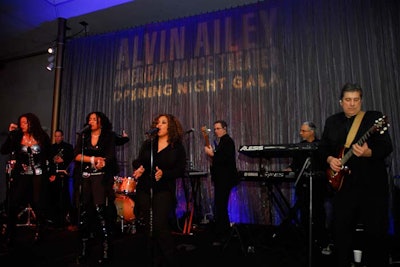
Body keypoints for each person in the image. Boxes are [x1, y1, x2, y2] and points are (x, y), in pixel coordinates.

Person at [319, 83, 393, 267]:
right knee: (341, 232)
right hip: (344, 188)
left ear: (361, 100)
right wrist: (330, 160)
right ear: (340, 102)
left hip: (372, 186)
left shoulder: (374, 118)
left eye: (356, 100)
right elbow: (322, 148)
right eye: (348, 100)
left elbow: (386, 146)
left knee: (376, 234)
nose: (352, 104)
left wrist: (368, 152)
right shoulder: (332, 121)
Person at [131, 113, 186, 267]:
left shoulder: (177, 147)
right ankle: (153, 258)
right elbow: (138, 160)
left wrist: (164, 174)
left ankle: (171, 259)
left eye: (163, 122)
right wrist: (139, 168)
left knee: (160, 225)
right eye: (158, 122)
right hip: (144, 188)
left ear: (170, 127)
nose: (159, 125)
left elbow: (180, 170)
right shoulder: (148, 144)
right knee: (148, 226)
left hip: (163, 189)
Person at [0, 113, 52, 245]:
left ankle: (40, 230)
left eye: (25, 122)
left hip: (39, 174)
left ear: (32, 123)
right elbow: (4, 150)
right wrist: (10, 134)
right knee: (13, 202)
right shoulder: (17, 136)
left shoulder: (42, 137)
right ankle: (10, 232)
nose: (22, 125)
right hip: (22, 174)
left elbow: (49, 156)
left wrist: (52, 172)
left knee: (37, 203)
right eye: (21, 122)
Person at [73, 111, 118, 264]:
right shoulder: (83, 136)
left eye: (94, 119)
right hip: (84, 176)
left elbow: (110, 156)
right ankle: (84, 248)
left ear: (101, 122)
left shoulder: (108, 136)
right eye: (89, 119)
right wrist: (92, 159)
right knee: (84, 212)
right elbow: (77, 156)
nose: (91, 121)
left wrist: (102, 161)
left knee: (100, 211)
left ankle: (106, 249)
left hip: (100, 177)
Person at [284, 122, 331, 254]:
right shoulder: (299, 147)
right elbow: (294, 165)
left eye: (303, 131)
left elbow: (326, 164)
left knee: (318, 214)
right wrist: (288, 170)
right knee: (304, 214)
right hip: (302, 185)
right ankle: (306, 243)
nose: (301, 133)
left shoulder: (321, 146)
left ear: (312, 132)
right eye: (301, 131)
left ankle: (323, 242)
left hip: (318, 186)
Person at [204, 120, 239, 246]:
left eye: (218, 128)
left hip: (225, 180)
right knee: (220, 206)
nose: (216, 131)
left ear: (225, 128)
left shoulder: (228, 142)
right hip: (221, 180)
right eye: (215, 129)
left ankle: (224, 234)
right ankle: (223, 232)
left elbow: (224, 160)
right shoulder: (222, 142)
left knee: (221, 206)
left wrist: (212, 154)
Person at [47, 129, 74, 228]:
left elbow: (72, 159)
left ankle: (64, 219)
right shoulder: (51, 148)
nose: (57, 138)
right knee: (53, 198)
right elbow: (49, 162)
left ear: (62, 136)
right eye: (56, 136)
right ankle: (54, 219)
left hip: (65, 176)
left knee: (65, 197)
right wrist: (51, 174)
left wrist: (63, 160)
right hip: (54, 175)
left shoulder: (68, 147)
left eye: (59, 136)